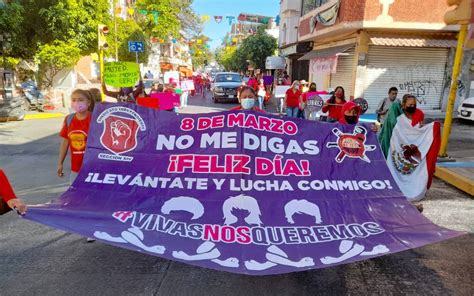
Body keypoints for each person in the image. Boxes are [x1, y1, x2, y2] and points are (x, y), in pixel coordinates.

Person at [57, 89, 95, 185]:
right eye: (73, 100)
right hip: (76, 169)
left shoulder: (95, 119)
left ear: (89, 102)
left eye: (80, 100)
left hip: (93, 168)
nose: (76, 103)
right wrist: (60, 163)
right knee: (75, 197)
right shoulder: (69, 119)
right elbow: (65, 142)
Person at [379, 94, 424, 158]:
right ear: (403, 104)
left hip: (410, 143)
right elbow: (392, 124)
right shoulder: (396, 111)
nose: (412, 106)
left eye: (414, 105)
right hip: (397, 142)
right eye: (410, 105)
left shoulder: (419, 113)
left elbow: (420, 127)